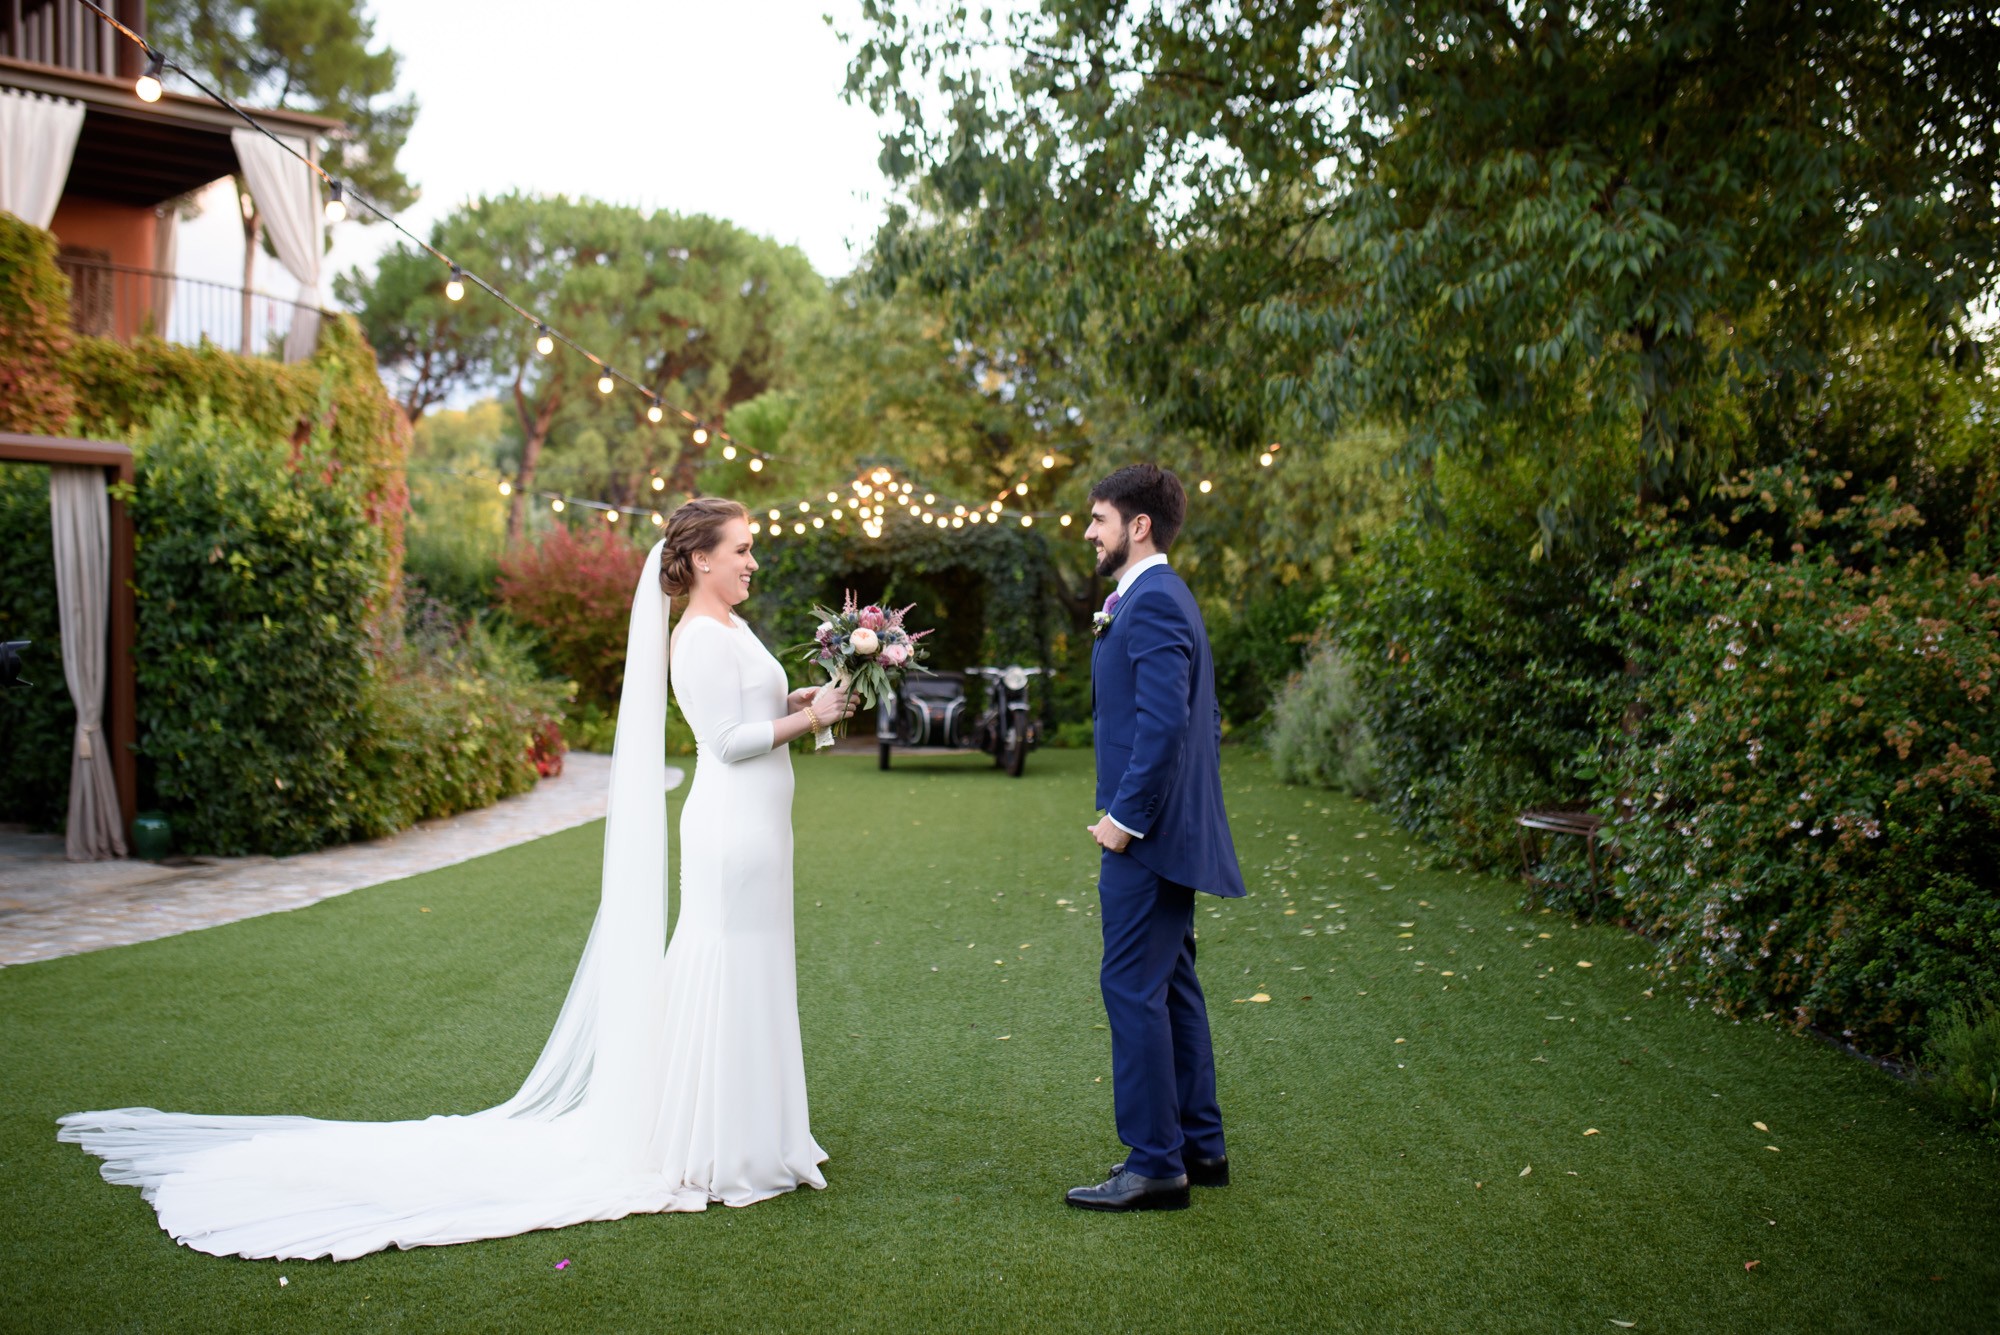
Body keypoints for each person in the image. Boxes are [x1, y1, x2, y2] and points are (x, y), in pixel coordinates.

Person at [57, 498, 854, 1261]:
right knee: (724, 965)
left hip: (760, 827)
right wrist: (809, 720)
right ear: (702, 558)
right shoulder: (700, 638)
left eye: (751, 547)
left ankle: (748, 1132)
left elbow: (755, 709)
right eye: (742, 548)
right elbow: (725, 740)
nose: (753, 559)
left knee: (750, 966)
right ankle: (719, 1143)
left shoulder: (732, 626)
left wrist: (801, 698)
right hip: (731, 830)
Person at [1069, 463, 1247, 1212]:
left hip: (1147, 835)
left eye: (1099, 517)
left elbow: (1169, 723)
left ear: (1138, 525)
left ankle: (1153, 1164)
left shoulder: (1155, 603)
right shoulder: (1149, 598)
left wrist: (1128, 818)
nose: (1089, 530)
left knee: (1132, 986)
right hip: (1166, 829)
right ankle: (1198, 1144)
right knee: (1171, 983)